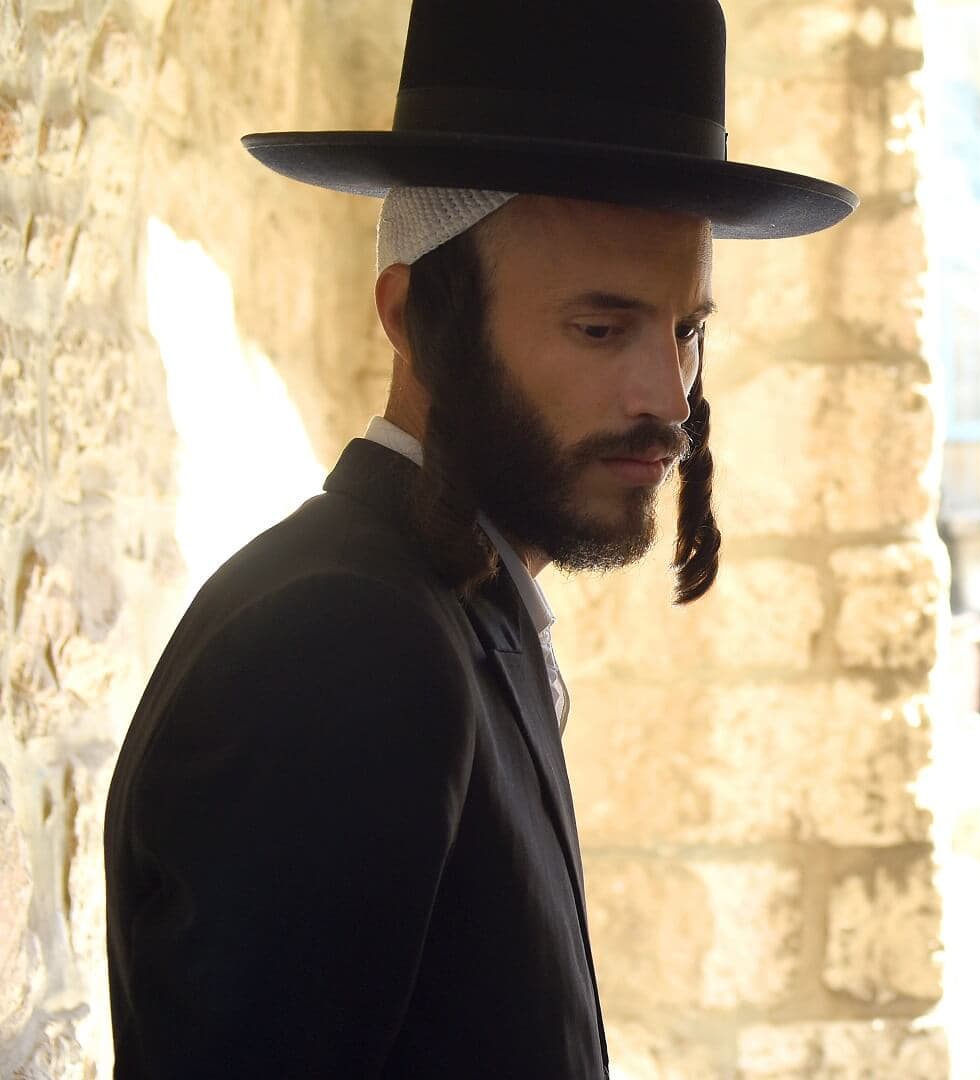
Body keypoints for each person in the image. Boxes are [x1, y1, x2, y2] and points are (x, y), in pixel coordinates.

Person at [102, 3, 855, 1077]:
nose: (667, 395)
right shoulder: (343, 641)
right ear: (414, 317)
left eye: (686, 329)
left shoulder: (450, 611)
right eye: (600, 328)